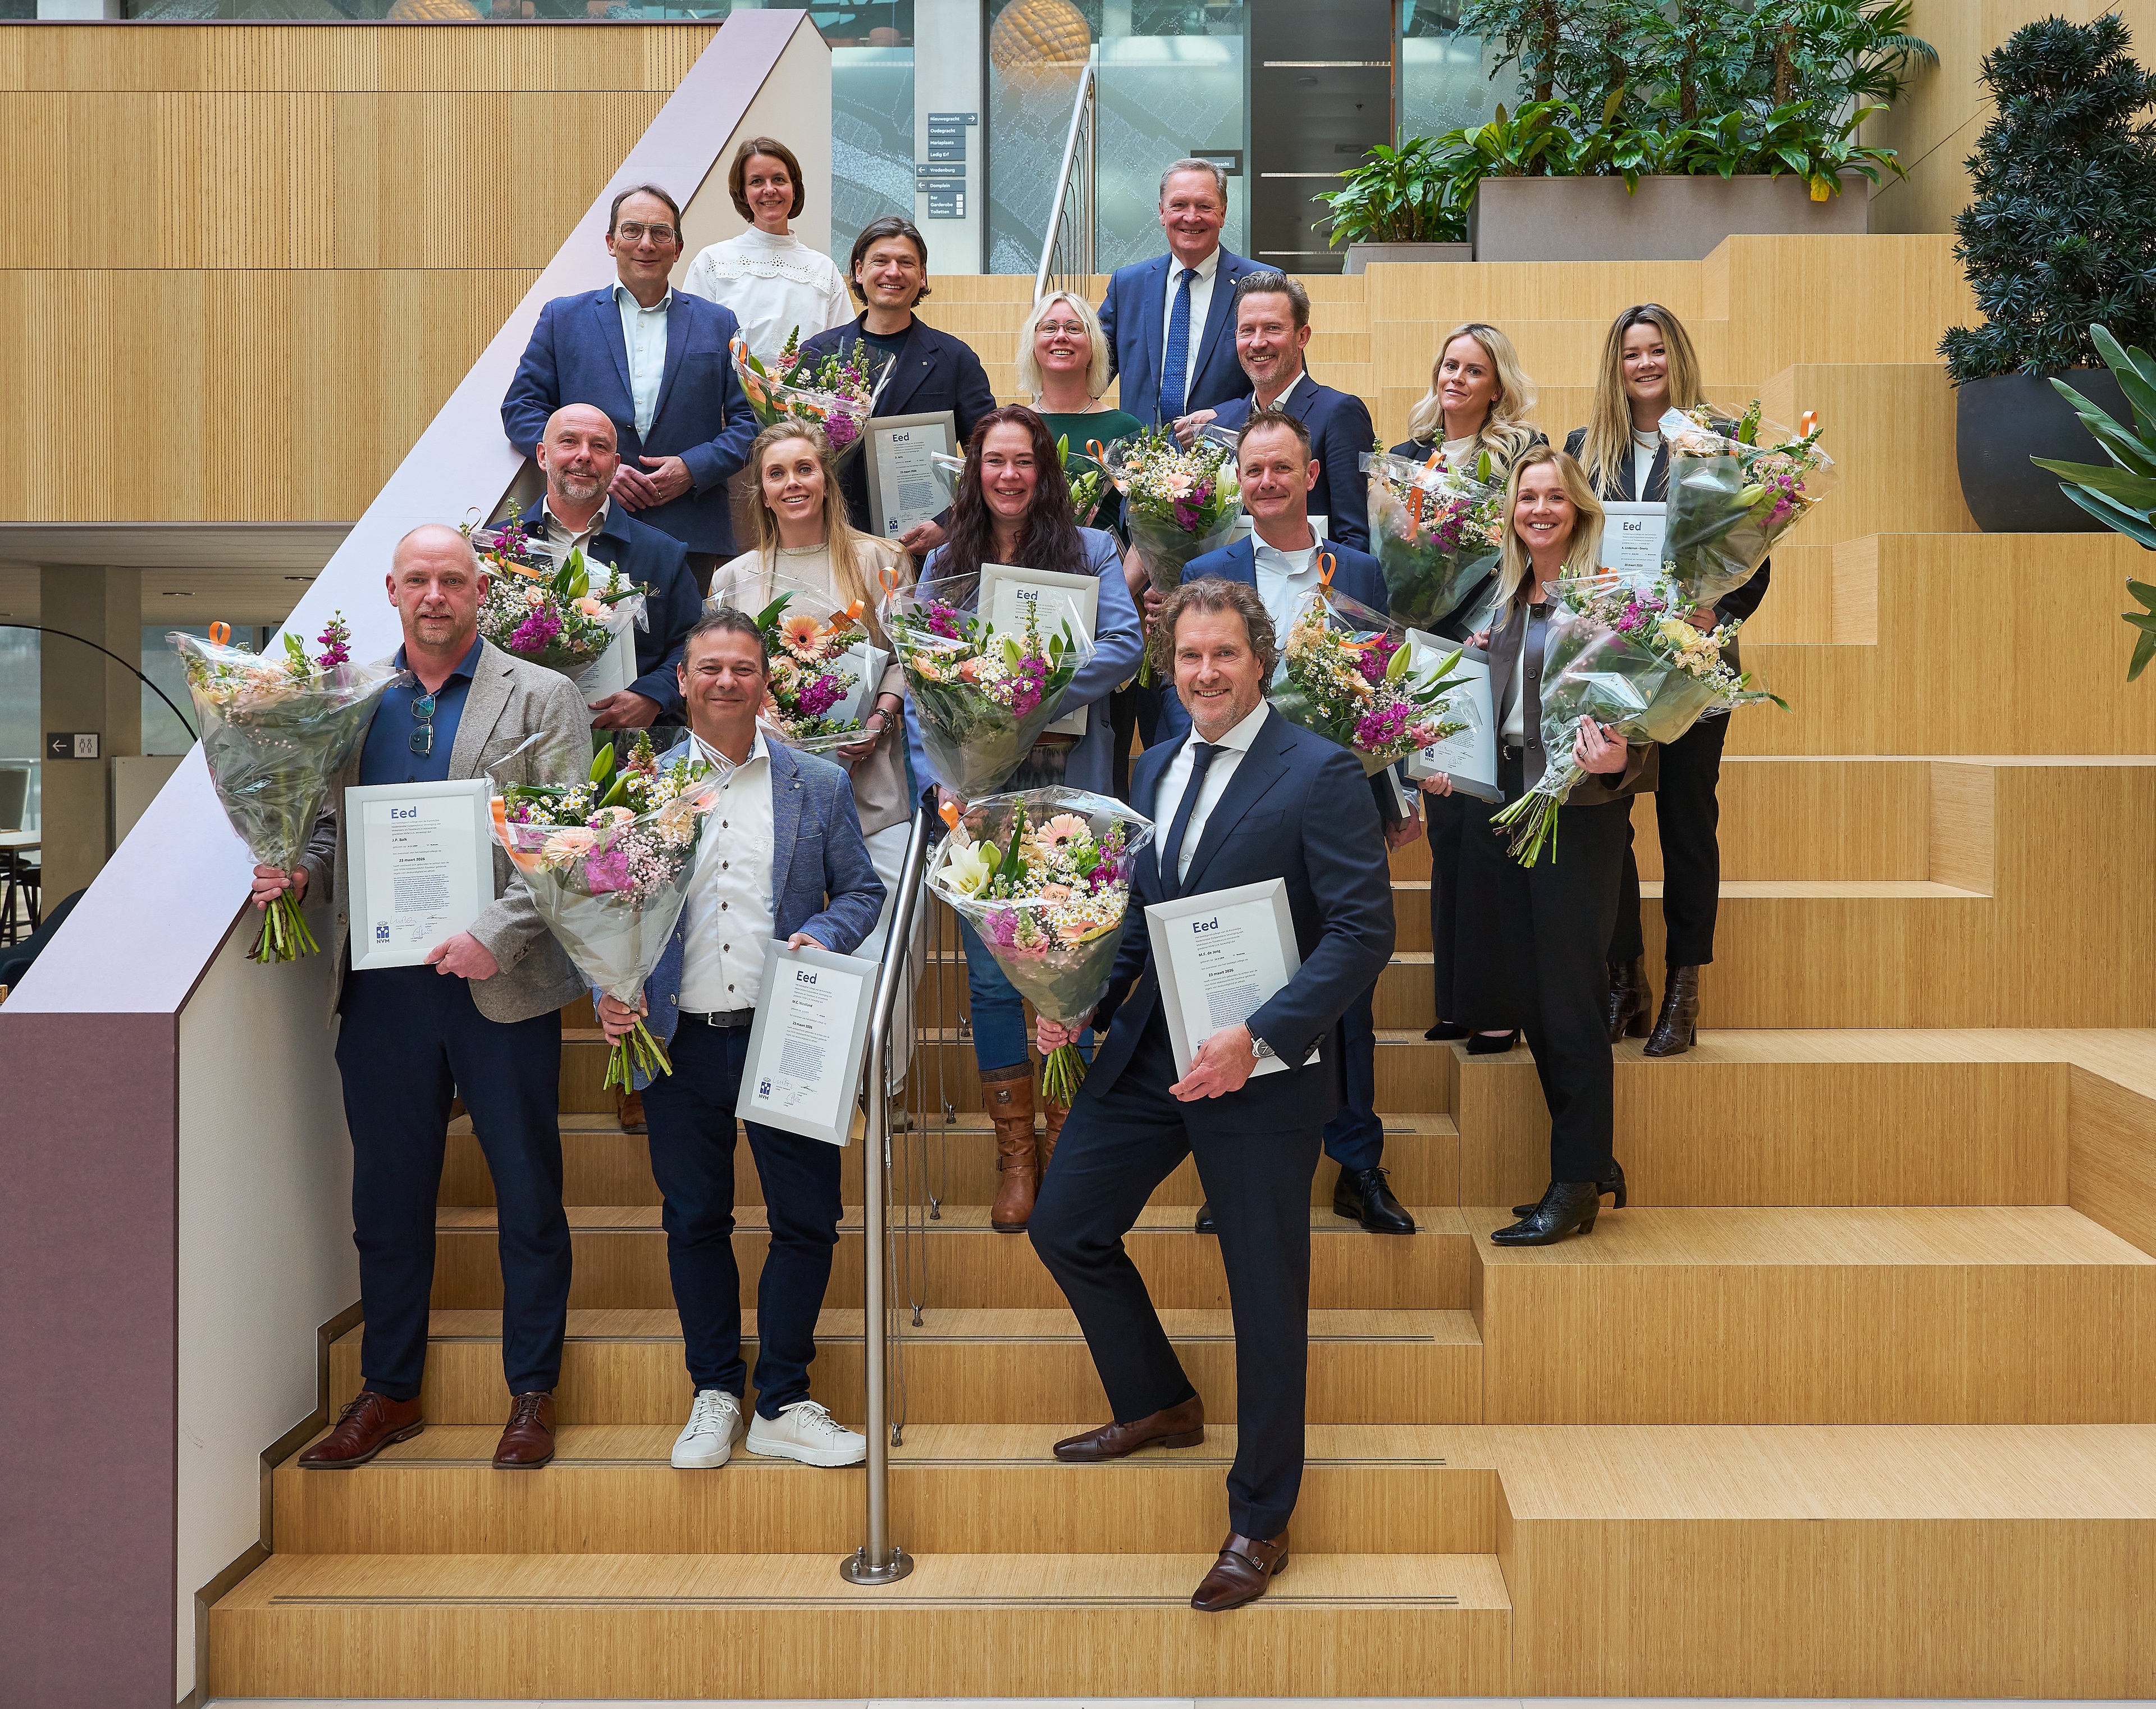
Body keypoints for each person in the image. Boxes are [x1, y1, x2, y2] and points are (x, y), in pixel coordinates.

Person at [1027, 577, 1394, 1612]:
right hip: (1155, 1049)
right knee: (1065, 1225)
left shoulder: (1320, 772)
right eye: (1188, 657)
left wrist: (1261, 1035)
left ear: (1259, 657)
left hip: (1263, 1069)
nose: (1204, 673)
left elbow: (1364, 935)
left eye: (1223, 654)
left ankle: (1260, 1518)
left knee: (1264, 1296)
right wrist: (1079, 1000)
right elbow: (1148, 919)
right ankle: (1159, 1400)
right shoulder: (1153, 763)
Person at [255, 524, 589, 1473]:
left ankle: (531, 1390)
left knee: (528, 1196)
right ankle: (390, 1389)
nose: (436, 594)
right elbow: (329, 831)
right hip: (383, 987)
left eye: (453, 579)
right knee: (387, 1200)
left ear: (481, 592)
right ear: (392, 591)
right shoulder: (350, 701)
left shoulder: (545, 694)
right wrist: (296, 875)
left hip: (501, 982)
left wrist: (497, 932)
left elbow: (562, 843)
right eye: (419, 580)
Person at [596, 609, 887, 1471]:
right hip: (675, 1037)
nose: (727, 681)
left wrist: (828, 935)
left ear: (767, 682)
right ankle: (716, 1390)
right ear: (680, 682)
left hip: (786, 1032)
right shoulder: (637, 784)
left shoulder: (817, 784)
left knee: (808, 1220)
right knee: (696, 1219)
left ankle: (785, 1398)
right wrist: (607, 989)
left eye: (744, 668)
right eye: (709, 667)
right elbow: (597, 904)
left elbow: (862, 893)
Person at [1157, 408, 1418, 1236]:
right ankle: (1233, 1163)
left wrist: (1397, 793)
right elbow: (1192, 692)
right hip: (1239, 812)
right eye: (1253, 469)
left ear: (1311, 475)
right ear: (1239, 481)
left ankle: (1357, 1162)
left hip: (1336, 807)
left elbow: (1386, 689)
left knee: (1346, 990)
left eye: (1281, 467)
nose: (1265, 481)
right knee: (1231, 983)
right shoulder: (1210, 565)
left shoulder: (1363, 571)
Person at [904, 404, 1144, 1231]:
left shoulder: (1094, 549)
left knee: (1067, 961)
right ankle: (1017, 1152)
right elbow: (920, 673)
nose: (1008, 475)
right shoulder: (943, 561)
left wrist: (1025, 692)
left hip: (1066, 795)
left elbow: (1123, 648)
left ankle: (1069, 1134)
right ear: (974, 470)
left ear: (1046, 471)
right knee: (989, 978)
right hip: (980, 799)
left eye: (1024, 461)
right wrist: (938, 775)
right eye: (994, 460)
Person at [1423, 449, 1651, 1246]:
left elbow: (1646, 719)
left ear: (1580, 508)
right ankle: (1590, 1161)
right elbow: (1478, 712)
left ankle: (1577, 1179)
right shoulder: (1504, 598)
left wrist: (1621, 761)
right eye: (1529, 496)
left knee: (1571, 1002)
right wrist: (1446, 762)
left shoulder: (1609, 598)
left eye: (1557, 495)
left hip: (1580, 821)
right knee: (1533, 997)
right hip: (1510, 812)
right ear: (1512, 509)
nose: (1542, 508)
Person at [1564, 303, 1770, 1058]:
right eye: (1631, 354)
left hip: (1694, 658)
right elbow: (1570, 543)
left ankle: (1685, 985)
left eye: (1656, 351)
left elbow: (1756, 558)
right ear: (1614, 366)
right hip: (1614, 658)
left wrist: (1719, 609)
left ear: (1676, 356)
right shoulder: (1586, 446)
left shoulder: (1717, 444)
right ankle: (1627, 978)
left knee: (1688, 818)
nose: (1644, 364)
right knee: (1606, 816)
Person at [707, 422, 916, 1009]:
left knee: (883, 957)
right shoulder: (732, 580)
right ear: (762, 491)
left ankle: (879, 1091)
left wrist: (877, 721)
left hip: (872, 784)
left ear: (826, 479)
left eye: (805, 469)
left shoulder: (882, 559)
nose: (792, 483)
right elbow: (718, 683)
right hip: (771, 793)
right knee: (788, 951)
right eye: (777, 473)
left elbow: (912, 658)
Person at [1388, 323, 1545, 1055]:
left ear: (1496, 384)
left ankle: (1496, 1005)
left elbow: (1536, 543)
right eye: (1449, 364)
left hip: (1493, 653)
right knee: (1446, 828)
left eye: (1473, 368)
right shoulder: (1404, 461)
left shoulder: (1520, 457)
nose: (1457, 377)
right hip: (1428, 657)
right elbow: (1394, 564)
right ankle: (1454, 997)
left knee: (1487, 830)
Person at [502, 184, 756, 594]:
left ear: (677, 248)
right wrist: (598, 468)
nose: (646, 243)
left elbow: (751, 422)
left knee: (680, 654)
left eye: (660, 233)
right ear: (611, 242)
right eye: (632, 230)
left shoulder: (719, 322)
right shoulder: (563, 318)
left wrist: (692, 468)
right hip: (585, 521)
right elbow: (521, 409)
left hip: (689, 526)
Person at [797, 216, 997, 556]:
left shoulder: (955, 359)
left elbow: (987, 456)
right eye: (881, 261)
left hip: (923, 545)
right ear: (859, 271)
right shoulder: (818, 353)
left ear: (922, 277)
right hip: (832, 536)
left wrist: (948, 522)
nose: (893, 272)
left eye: (907, 263)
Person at [528, 403, 702, 732]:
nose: (584, 455)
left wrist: (652, 696)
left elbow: (695, 643)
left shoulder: (663, 554)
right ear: (542, 456)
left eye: (600, 446)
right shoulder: (498, 550)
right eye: (568, 442)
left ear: (615, 465)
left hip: (631, 747)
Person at [1195, 271, 1376, 552]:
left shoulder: (1339, 413)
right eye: (1247, 330)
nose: (1257, 343)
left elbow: (1352, 536)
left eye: (1273, 328)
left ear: (1302, 336)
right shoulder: (1223, 421)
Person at [1097, 158, 1265, 428]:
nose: (1191, 217)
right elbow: (1091, 372)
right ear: (1162, 212)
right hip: (1141, 462)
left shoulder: (1260, 283)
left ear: (1222, 214)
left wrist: (1223, 417)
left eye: (1204, 206)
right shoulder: (1127, 285)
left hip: (1228, 459)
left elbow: (1286, 382)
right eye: (1179, 205)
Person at [680, 137, 853, 360]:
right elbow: (694, 345)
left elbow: (843, 350)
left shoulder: (823, 269)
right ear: (743, 192)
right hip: (730, 395)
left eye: (779, 180)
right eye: (757, 181)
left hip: (804, 394)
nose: (769, 190)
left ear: (794, 187)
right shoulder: (713, 262)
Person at [1018, 289, 1144, 539]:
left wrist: (1120, 580)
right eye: (1049, 327)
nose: (1061, 336)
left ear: (1093, 345)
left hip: (1102, 570)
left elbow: (1149, 526)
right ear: (1033, 344)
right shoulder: (1012, 425)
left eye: (1075, 328)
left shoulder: (1126, 428)